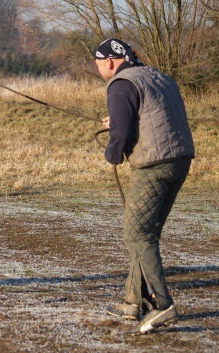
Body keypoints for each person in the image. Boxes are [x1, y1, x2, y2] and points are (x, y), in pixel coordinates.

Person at [94, 38, 195, 334]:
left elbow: (122, 133)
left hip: (153, 164)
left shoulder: (120, 83)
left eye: (98, 63)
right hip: (181, 160)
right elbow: (154, 116)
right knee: (145, 235)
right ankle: (132, 301)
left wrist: (112, 153)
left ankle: (162, 305)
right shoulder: (159, 77)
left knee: (137, 235)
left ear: (109, 61)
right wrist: (120, 120)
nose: (99, 68)